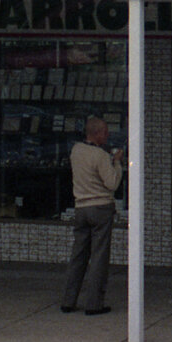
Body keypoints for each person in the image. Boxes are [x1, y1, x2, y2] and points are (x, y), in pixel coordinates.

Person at [60, 116, 124, 315]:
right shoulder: (100, 155)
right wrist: (117, 163)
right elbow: (112, 183)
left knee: (78, 255)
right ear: (97, 133)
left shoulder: (76, 150)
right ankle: (94, 303)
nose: (107, 135)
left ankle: (68, 300)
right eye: (105, 132)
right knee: (99, 257)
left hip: (81, 207)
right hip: (100, 208)